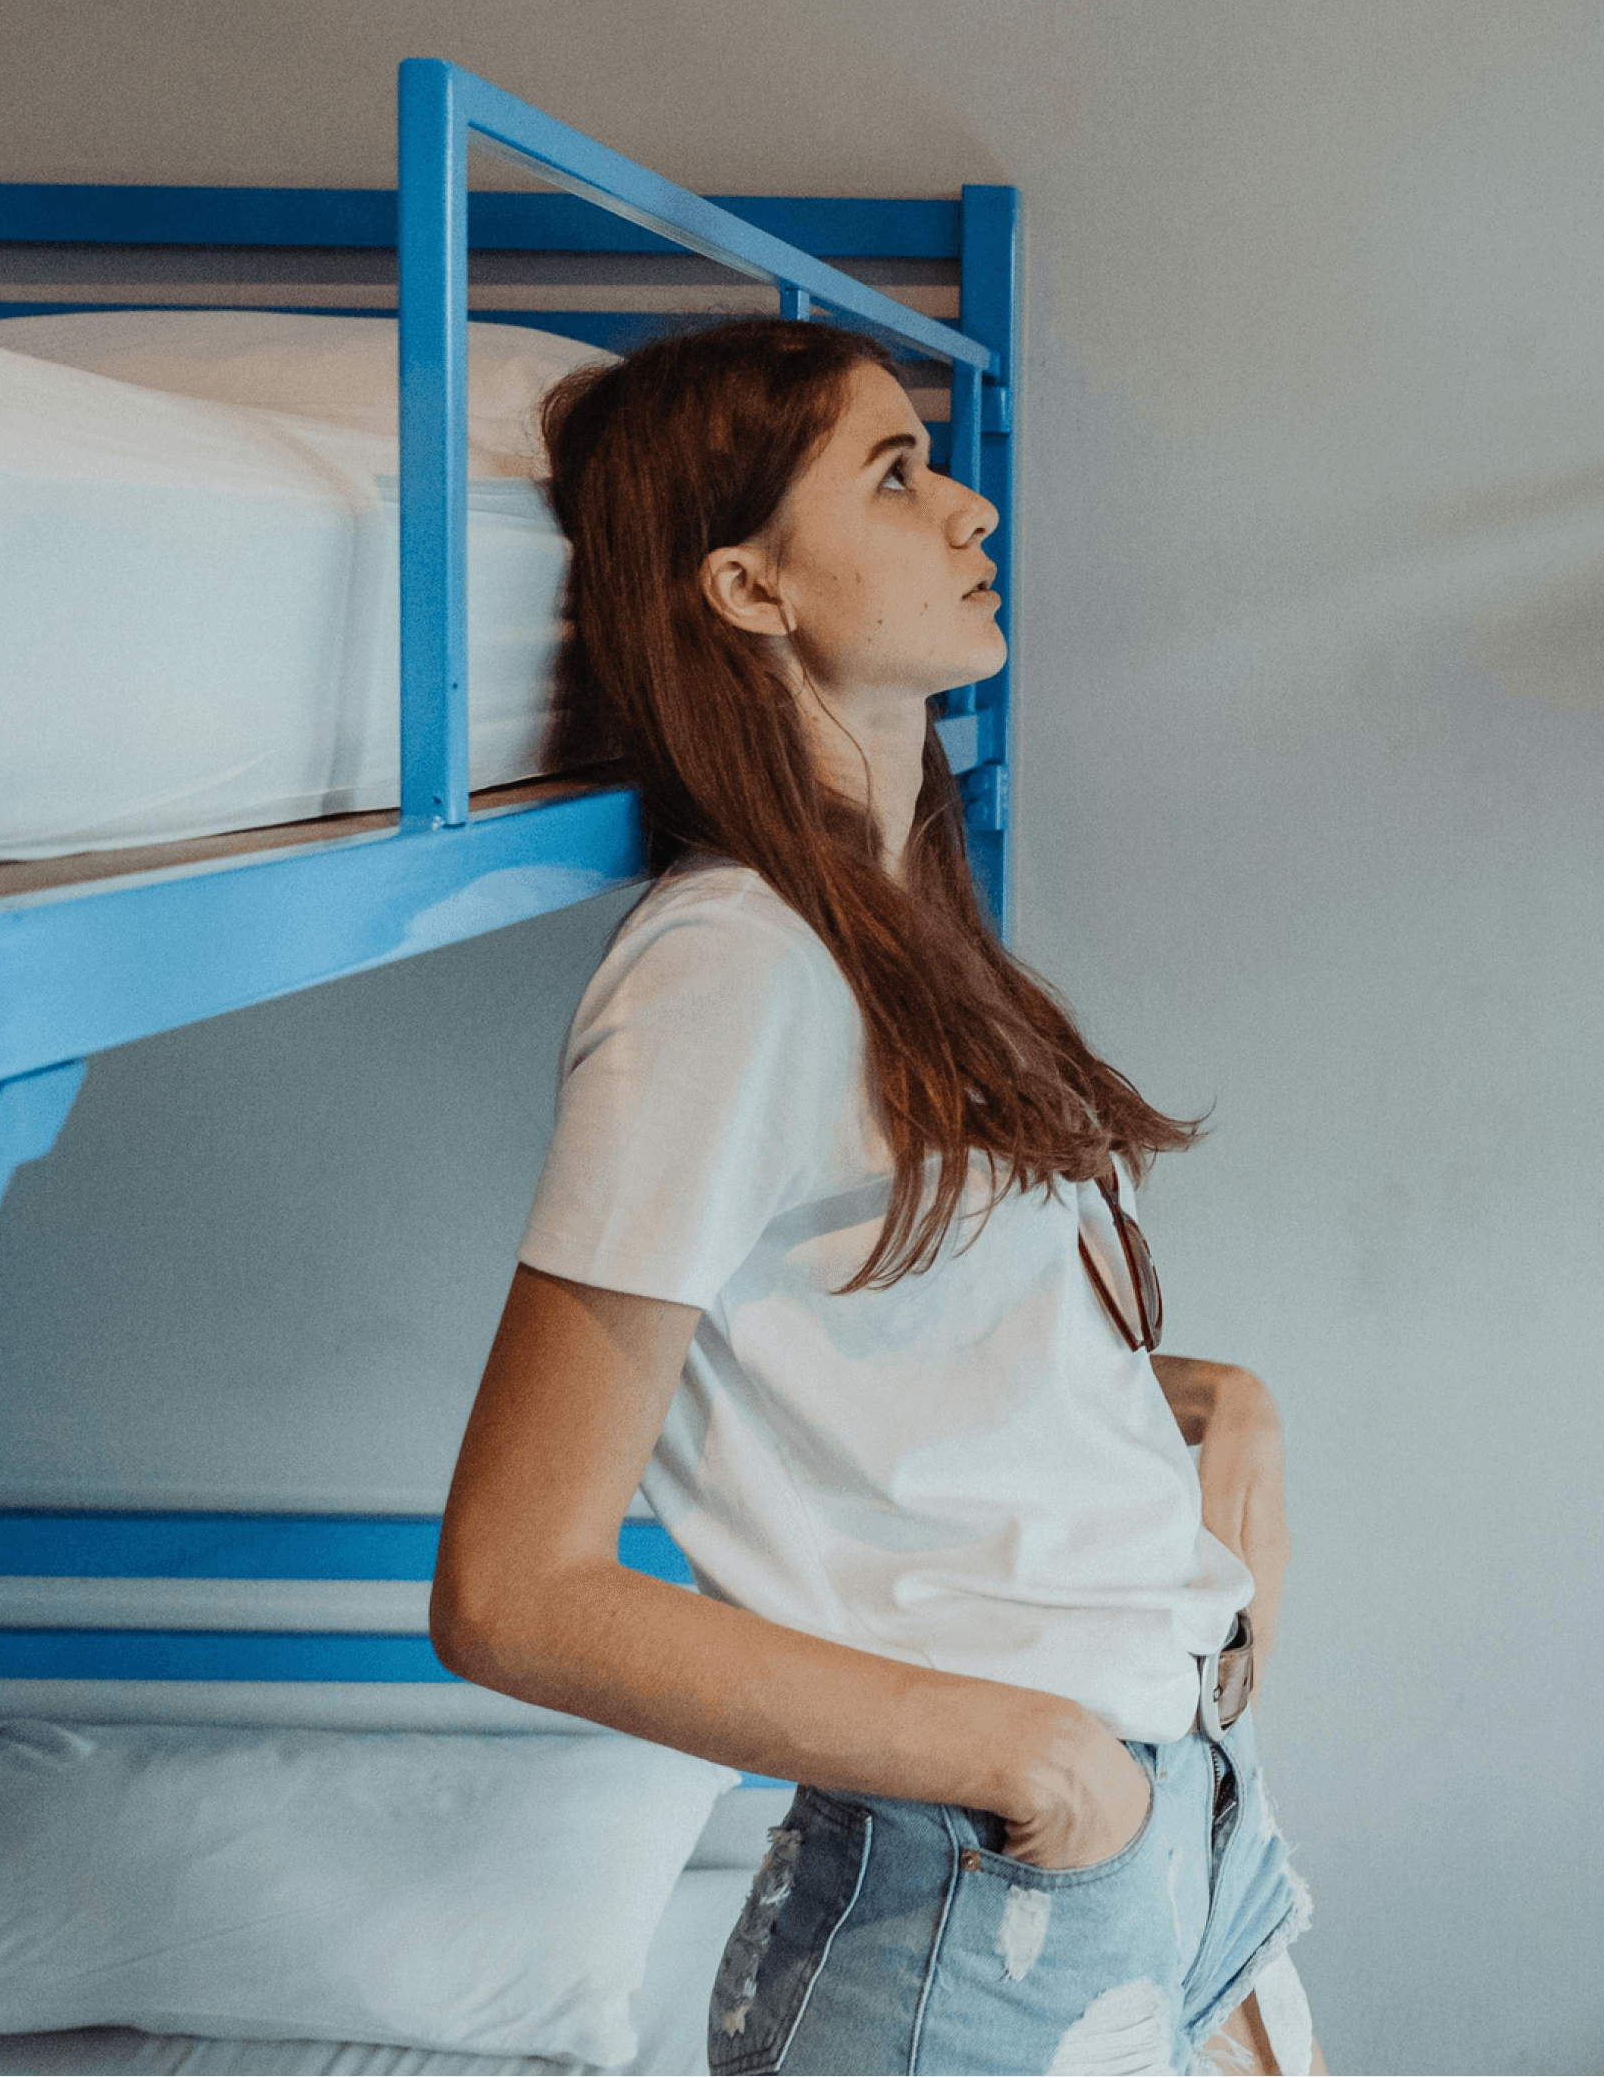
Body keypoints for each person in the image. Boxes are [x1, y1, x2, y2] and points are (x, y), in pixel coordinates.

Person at [431, 319, 1317, 2076]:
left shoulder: (886, 933)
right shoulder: (722, 968)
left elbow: (906, 1391)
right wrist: (1038, 1765)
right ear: (747, 585)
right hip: (993, 1882)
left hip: (1176, 1832)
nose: (971, 507)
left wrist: (1214, 1400)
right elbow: (509, 1585)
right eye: (897, 474)